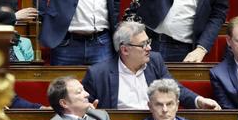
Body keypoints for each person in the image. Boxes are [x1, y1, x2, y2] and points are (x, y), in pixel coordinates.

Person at [82, 21, 219, 110]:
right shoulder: (98, 74)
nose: (149, 48)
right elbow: (84, 104)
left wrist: (199, 100)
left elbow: (174, 88)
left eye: (148, 42)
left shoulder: (155, 61)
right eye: (143, 45)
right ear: (124, 50)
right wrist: (86, 107)